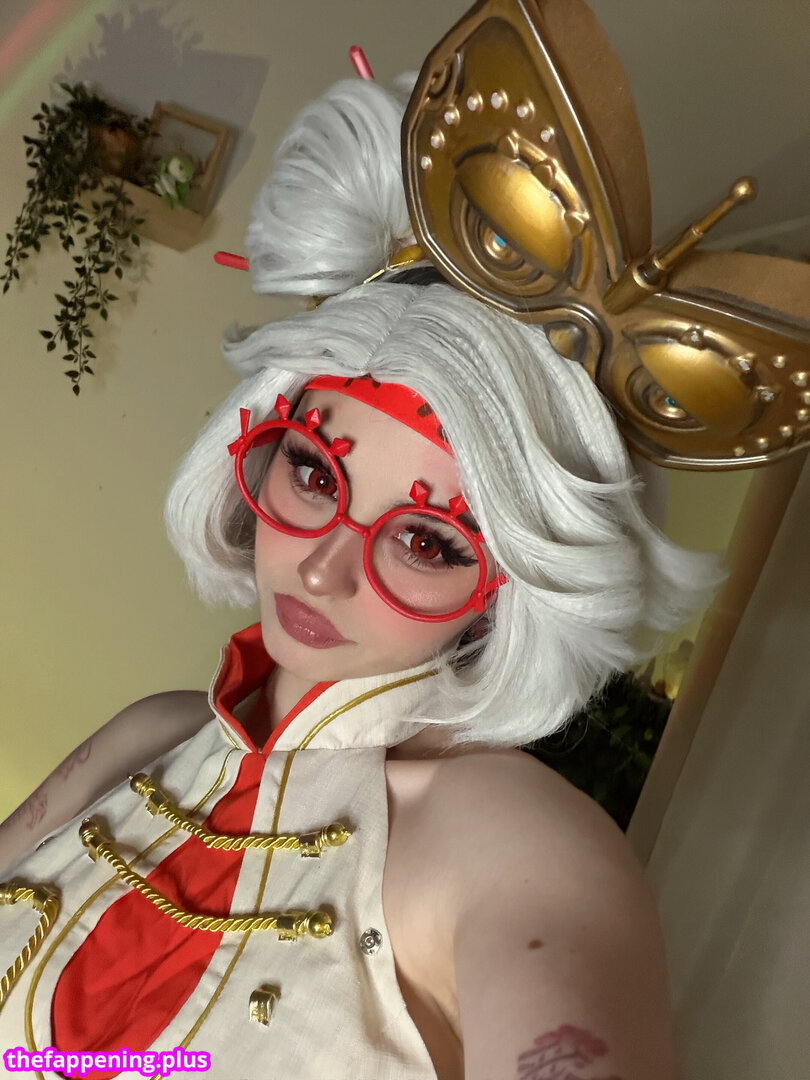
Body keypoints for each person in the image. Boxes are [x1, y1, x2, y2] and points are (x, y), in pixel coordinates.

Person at [0, 48, 722, 1080]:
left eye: (427, 540)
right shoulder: (152, 731)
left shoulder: (513, 842)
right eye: (312, 470)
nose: (323, 570)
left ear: (515, 587)